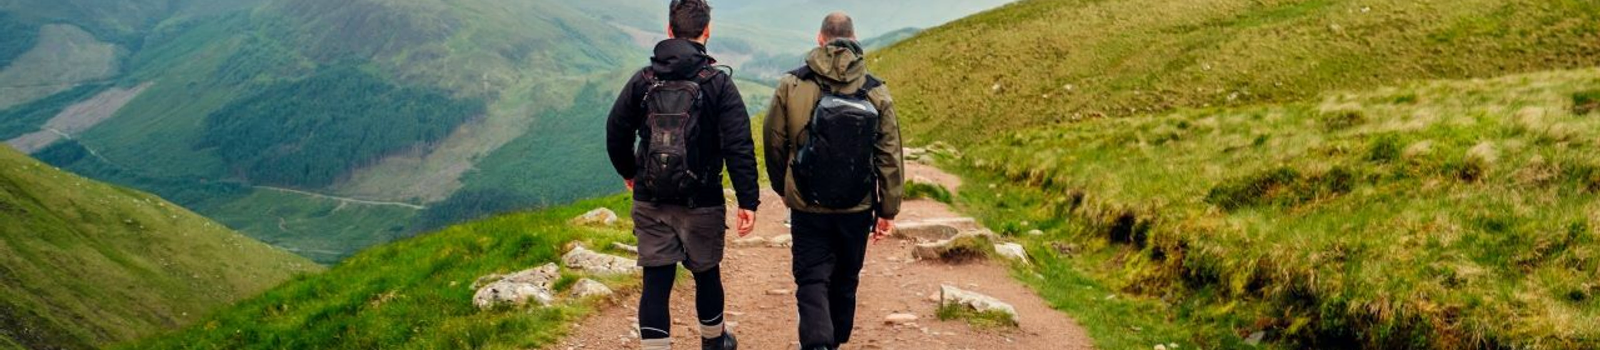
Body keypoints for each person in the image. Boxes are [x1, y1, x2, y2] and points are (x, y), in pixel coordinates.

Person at [605, 1, 759, 349]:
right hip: (702, 200)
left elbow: (616, 130)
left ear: (669, 29)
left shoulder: (643, 80)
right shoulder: (718, 83)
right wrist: (747, 200)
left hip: (651, 197)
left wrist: (631, 173)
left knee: (655, 282)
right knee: (706, 275)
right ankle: (713, 343)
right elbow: (738, 145)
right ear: (707, 31)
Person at [763, 11, 905, 350]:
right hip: (857, 206)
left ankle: (817, 342)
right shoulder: (876, 91)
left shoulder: (791, 84)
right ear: (854, 39)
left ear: (820, 39)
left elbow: (773, 140)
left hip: (808, 205)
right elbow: (889, 153)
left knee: (811, 278)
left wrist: (784, 187)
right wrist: (888, 209)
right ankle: (834, 340)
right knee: (845, 279)